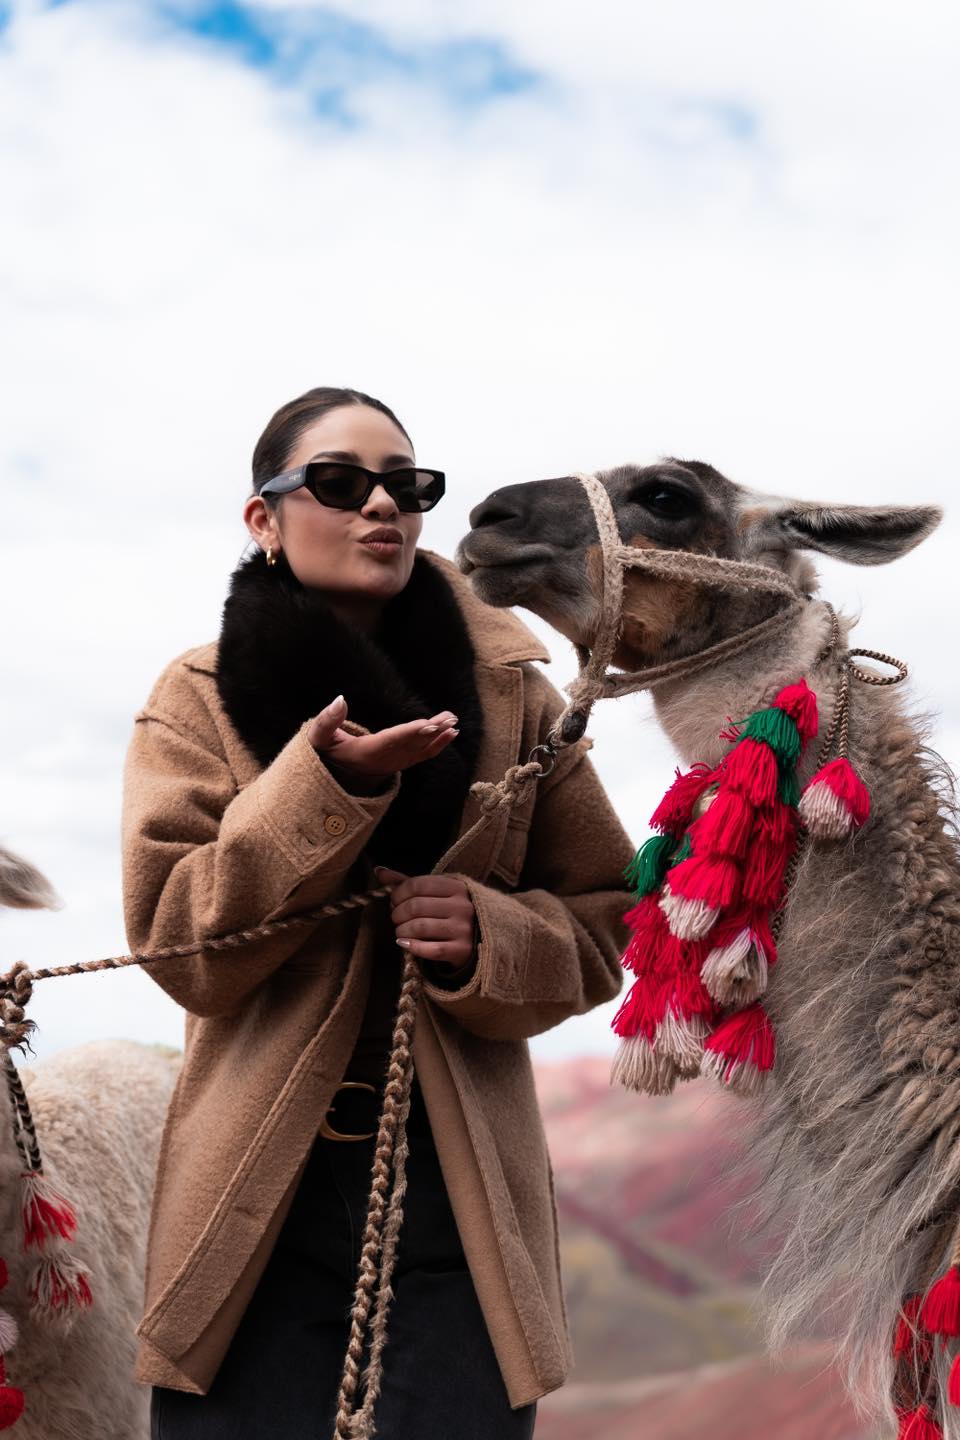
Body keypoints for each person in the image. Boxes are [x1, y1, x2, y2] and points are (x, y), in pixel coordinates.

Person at [121, 386, 635, 1439]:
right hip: (251, 1211)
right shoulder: (197, 698)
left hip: (462, 1207)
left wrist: (492, 937)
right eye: (341, 484)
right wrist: (327, 793)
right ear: (263, 517)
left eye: (406, 487)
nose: (381, 509)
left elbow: (610, 919)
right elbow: (179, 945)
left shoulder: (518, 699)